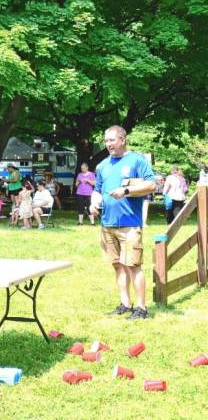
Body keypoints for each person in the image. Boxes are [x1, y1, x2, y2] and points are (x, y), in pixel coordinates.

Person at [90, 125, 155, 320]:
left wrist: (126, 191)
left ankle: (142, 309)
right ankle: (125, 304)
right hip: (107, 224)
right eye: (106, 141)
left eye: (112, 140)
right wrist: (93, 203)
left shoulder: (136, 160)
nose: (108, 144)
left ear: (122, 139)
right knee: (117, 265)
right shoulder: (102, 166)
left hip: (130, 224)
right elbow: (97, 190)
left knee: (133, 265)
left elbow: (151, 185)